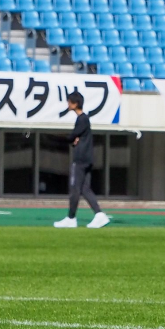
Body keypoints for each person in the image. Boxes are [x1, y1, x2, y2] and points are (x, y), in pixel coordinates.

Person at [53, 92, 110, 229]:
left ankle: (71, 218)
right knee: (85, 189)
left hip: (80, 159)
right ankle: (99, 215)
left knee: (75, 189)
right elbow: (77, 138)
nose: (68, 104)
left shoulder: (82, 119)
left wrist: (59, 137)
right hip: (87, 158)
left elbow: (73, 136)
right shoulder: (84, 120)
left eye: (69, 102)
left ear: (75, 104)